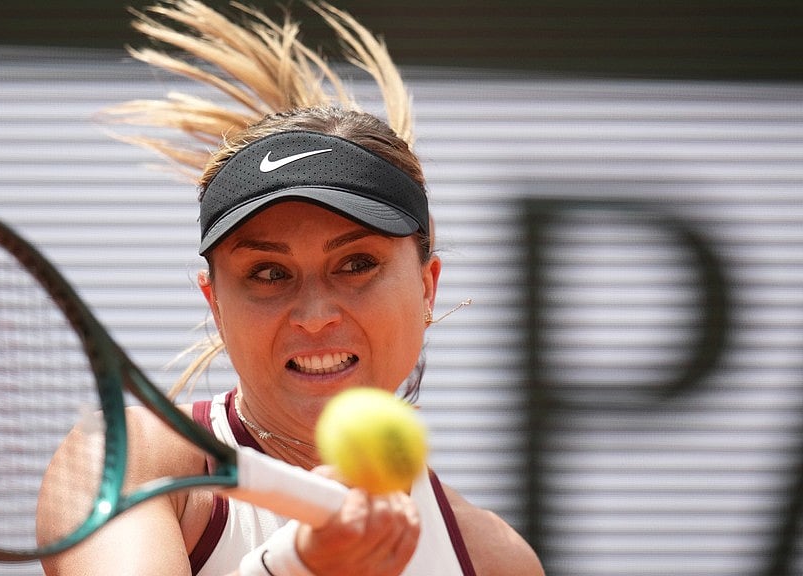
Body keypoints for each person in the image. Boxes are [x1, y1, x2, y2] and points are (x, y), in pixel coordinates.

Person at [38, 2, 544, 575]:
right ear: (216, 305)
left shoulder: (493, 558)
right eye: (269, 274)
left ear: (427, 288)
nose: (314, 315)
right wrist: (297, 565)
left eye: (356, 264)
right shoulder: (129, 460)